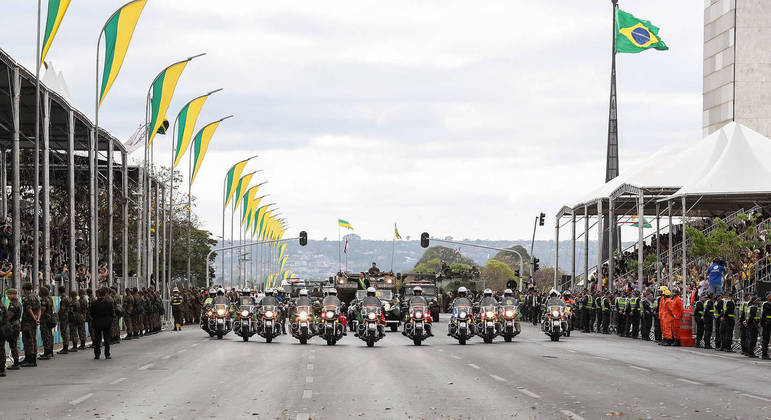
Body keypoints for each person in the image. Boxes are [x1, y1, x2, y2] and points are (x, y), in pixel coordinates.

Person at [90, 288, 115, 360]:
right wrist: (110, 321)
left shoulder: (94, 303)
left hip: (97, 323)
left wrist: (95, 319)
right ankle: (107, 354)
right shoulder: (109, 303)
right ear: (105, 294)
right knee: (107, 340)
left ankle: (97, 355)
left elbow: (91, 313)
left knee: (97, 340)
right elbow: (112, 313)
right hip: (107, 324)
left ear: (98, 295)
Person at [20, 282, 40, 367]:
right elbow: (39, 309)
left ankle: (30, 360)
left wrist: (34, 318)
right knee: (33, 340)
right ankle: (31, 359)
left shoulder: (27, 298)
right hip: (33, 322)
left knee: (28, 340)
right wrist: (37, 319)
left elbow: (29, 309)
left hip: (28, 322)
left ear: (25, 289)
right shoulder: (35, 297)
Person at [38, 286, 55, 360]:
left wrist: (38, 318)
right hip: (50, 319)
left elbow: (42, 311)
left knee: (45, 336)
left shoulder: (44, 300)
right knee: (49, 335)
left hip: (45, 320)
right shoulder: (50, 299)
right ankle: (50, 351)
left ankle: (47, 353)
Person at [56, 286, 71, 353]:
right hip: (66, 316)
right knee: (65, 332)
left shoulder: (63, 299)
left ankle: (65, 348)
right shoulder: (67, 297)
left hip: (63, 317)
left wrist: (57, 314)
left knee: (64, 332)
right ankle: (66, 346)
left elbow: (62, 309)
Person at [761, 291, 771, 360]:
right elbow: (763, 314)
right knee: (766, 339)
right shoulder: (766, 304)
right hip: (767, 323)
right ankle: (764, 354)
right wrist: (763, 323)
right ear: (767, 297)